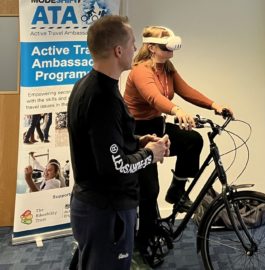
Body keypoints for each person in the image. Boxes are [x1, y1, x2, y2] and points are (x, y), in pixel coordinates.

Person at [67, 15, 170, 270]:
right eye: (133, 42)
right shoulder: (104, 98)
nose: (136, 49)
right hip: (106, 211)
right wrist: (150, 154)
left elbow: (103, 142)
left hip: (94, 206)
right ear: (118, 50)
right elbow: (114, 166)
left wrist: (136, 140)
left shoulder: (87, 85)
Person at [123, 25, 233, 253]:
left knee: (192, 140)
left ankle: (176, 192)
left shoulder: (167, 68)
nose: (170, 49)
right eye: (165, 45)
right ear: (151, 47)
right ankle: (141, 245)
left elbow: (187, 90)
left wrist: (215, 106)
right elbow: (153, 97)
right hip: (137, 134)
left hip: (158, 126)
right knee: (149, 190)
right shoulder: (141, 71)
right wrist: (176, 111)